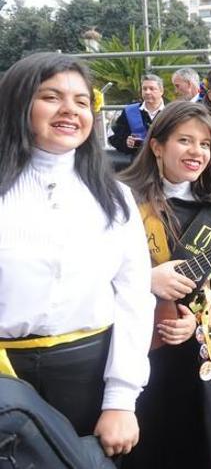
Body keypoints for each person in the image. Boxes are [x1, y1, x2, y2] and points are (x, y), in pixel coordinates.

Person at [0, 52, 153, 457]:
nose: (70, 110)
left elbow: (134, 297)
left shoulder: (113, 197)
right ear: (18, 103)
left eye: (82, 101)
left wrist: (121, 399)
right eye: (51, 97)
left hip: (87, 374)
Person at [120, 101, 211, 469]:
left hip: (201, 361)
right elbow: (91, 274)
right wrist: (147, 280)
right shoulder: (123, 201)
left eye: (205, 144)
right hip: (137, 357)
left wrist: (197, 320)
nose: (196, 152)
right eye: (184, 140)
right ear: (157, 145)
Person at [108, 74, 166, 160]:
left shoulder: (172, 112)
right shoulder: (129, 111)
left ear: (161, 91)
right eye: (144, 89)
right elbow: (115, 137)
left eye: (152, 88)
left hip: (166, 163)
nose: (147, 92)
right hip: (139, 164)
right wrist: (126, 143)